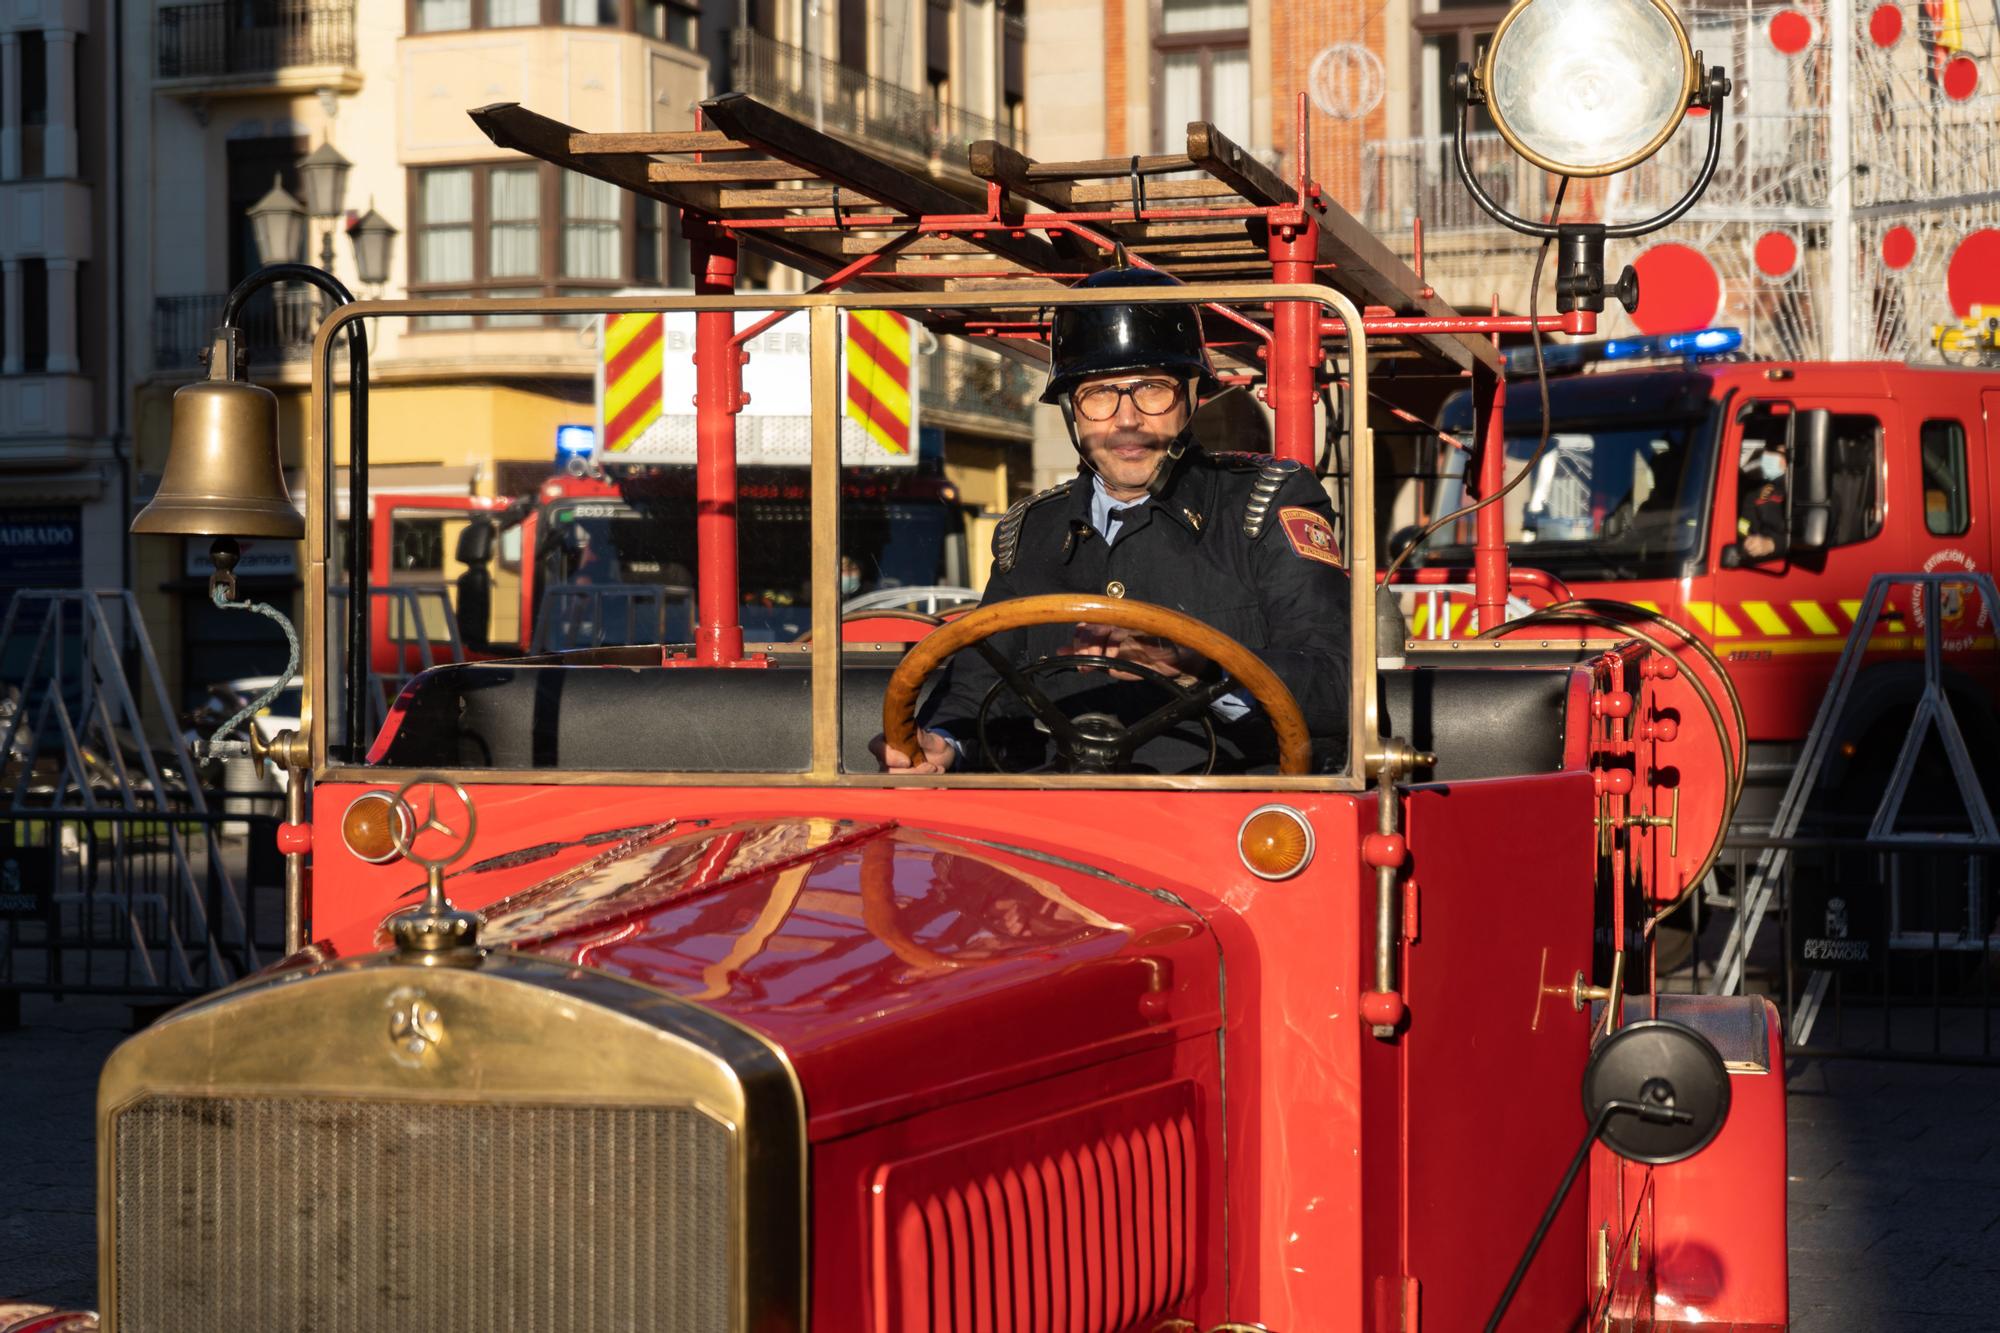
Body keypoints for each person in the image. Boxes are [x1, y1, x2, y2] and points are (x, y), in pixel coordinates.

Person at [871, 267, 1351, 774]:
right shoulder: (1034, 532)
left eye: (1151, 389)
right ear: (1072, 413)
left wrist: (1207, 667)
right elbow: (977, 684)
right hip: (1065, 821)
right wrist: (945, 741)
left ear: (1189, 398)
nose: (1126, 419)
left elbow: (1340, 685)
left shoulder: (1262, 507)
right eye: (1098, 394)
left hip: (1226, 823)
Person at [1737, 442, 1789, 561]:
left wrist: (1772, 545)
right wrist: (1745, 541)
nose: (1767, 456)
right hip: (1754, 562)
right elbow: (1743, 525)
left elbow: (1812, 536)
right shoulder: (1755, 491)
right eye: (1768, 451)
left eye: (1776, 452)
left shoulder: (1812, 489)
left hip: (1785, 563)